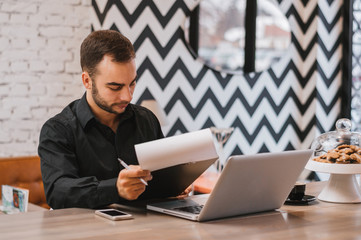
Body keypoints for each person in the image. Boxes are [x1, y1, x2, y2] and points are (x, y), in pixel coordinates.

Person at [38, 30, 164, 209]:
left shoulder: (146, 120)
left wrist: (178, 182)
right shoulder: (58, 130)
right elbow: (58, 192)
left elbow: (163, 175)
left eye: (132, 83)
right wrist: (115, 188)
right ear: (87, 81)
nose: (127, 97)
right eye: (115, 87)